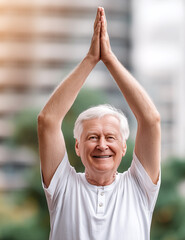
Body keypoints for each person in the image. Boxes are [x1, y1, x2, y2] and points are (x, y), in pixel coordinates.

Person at [37, 7, 161, 240]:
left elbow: (150, 120)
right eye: (92, 137)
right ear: (77, 147)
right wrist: (91, 59)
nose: (102, 145)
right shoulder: (63, 186)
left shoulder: (139, 187)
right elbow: (47, 121)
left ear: (124, 147)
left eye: (110, 137)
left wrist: (110, 59)